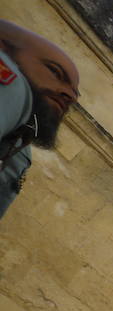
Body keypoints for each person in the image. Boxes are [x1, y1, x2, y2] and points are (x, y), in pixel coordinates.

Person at [0, 19, 79, 219]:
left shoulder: (21, 134)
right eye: (55, 71)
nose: (69, 96)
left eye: (74, 93)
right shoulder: (13, 83)